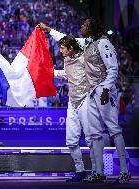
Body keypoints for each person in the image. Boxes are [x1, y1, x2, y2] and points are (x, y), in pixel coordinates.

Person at [39, 18, 131, 183]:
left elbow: (113, 68)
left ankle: (124, 171)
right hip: (92, 93)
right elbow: (66, 39)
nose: (81, 27)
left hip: (104, 92)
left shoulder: (103, 43)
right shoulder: (87, 43)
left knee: (114, 129)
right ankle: (98, 173)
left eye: (85, 25)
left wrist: (106, 89)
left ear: (92, 27)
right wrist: (49, 30)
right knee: (95, 134)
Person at [53, 35, 92, 182]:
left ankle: (97, 172)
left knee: (90, 138)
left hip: (86, 100)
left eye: (63, 48)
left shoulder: (85, 58)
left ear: (71, 48)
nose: (60, 50)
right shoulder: (67, 59)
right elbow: (67, 74)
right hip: (72, 101)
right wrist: (51, 72)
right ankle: (80, 170)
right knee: (70, 140)